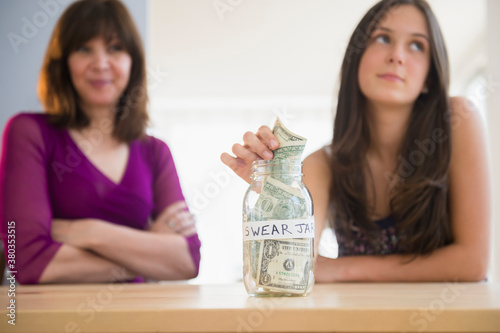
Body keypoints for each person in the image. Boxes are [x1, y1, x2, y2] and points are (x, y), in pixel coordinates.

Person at [221, 0, 490, 282]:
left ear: (428, 78)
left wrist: (342, 268)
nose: (397, 55)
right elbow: (295, 263)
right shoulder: (323, 165)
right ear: (356, 58)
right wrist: (271, 194)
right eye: (383, 38)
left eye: (416, 46)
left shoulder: (457, 119)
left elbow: (472, 263)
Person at [0, 0, 200, 284]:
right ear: (64, 61)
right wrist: (148, 248)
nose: (101, 64)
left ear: (133, 61)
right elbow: (27, 262)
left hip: (141, 319)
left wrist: (89, 232)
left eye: (115, 48)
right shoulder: (28, 132)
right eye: (84, 49)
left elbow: (188, 261)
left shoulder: (155, 151)